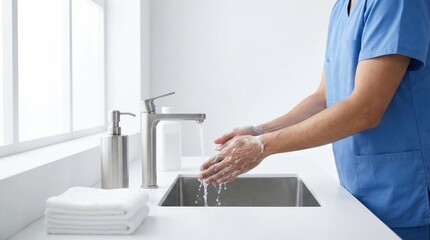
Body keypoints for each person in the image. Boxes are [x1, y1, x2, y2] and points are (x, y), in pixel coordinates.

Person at [199, 0, 430, 239]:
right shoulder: (342, 7)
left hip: (403, 192)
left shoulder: (396, 3)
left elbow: (365, 108)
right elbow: (324, 97)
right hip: (359, 192)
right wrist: (258, 132)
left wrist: (263, 146)